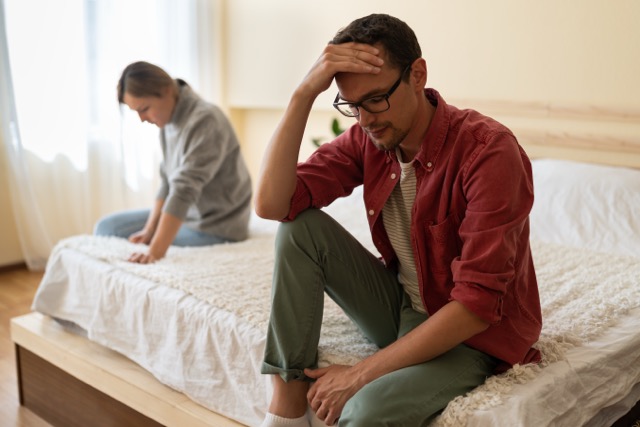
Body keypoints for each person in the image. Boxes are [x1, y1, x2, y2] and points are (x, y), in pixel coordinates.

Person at [254, 13, 542, 427]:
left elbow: (476, 306)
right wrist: (302, 95)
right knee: (299, 230)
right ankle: (286, 408)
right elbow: (272, 205)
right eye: (353, 106)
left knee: (362, 413)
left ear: (418, 74)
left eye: (375, 99)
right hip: (405, 308)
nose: (366, 119)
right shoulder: (369, 138)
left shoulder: (488, 152)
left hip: (474, 336)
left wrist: (357, 375)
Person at [95, 61, 252, 264]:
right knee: (107, 228)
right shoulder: (168, 121)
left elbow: (183, 189)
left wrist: (155, 251)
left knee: (122, 238)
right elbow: (167, 182)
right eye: (136, 112)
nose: (142, 119)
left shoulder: (206, 120)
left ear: (166, 90)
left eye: (144, 109)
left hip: (217, 227)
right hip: (189, 216)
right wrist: (149, 230)